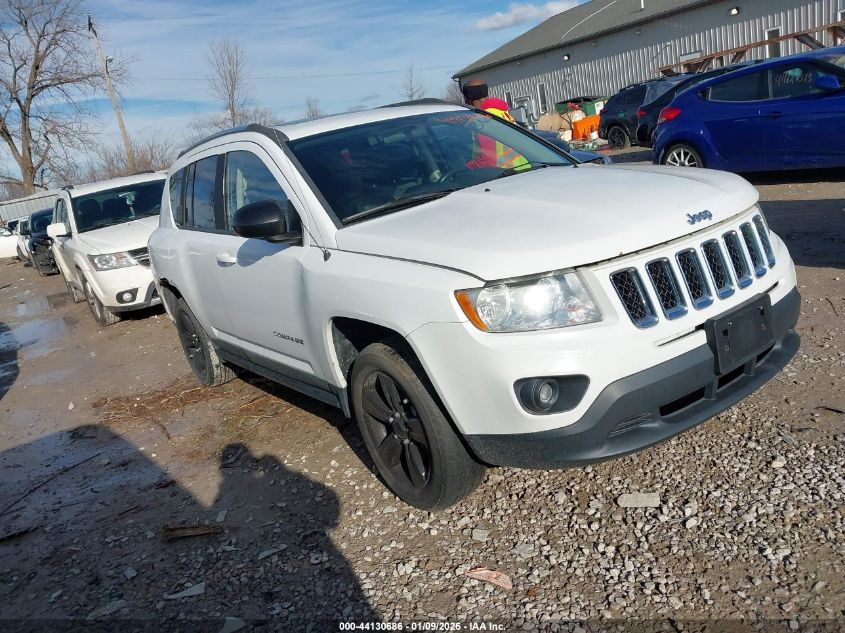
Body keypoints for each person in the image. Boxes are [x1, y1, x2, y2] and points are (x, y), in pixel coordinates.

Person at [461, 79, 526, 170]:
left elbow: (487, 161)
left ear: (469, 100)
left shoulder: (483, 120)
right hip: (524, 169)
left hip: (505, 174)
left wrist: (466, 168)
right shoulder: (500, 114)